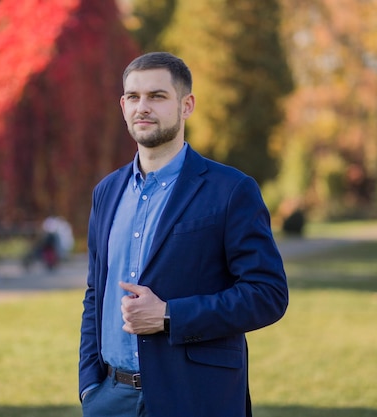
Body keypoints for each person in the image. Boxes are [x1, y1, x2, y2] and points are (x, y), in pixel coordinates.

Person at [78, 52, 288, 417]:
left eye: (157, 96)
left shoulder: (231, 190)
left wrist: (169, 315)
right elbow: (97, 291)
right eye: (133, 97)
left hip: (195, 398)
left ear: (186, 105)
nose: (143, 107)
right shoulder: (106, 192)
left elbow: (267, 294)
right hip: (110, 399)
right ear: (123, 105)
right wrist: (89, 385)